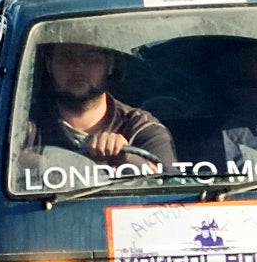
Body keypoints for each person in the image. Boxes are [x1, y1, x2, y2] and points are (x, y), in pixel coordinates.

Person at [24, 42, 176, 169]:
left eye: (91, 56)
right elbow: (4, 167)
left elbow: (170, 192)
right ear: (49, 65)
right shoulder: (24, 128)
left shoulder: (141, 129)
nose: (77, 66)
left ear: (109, 64)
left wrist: (128, 158)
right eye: (66, 56)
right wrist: (33, 162)